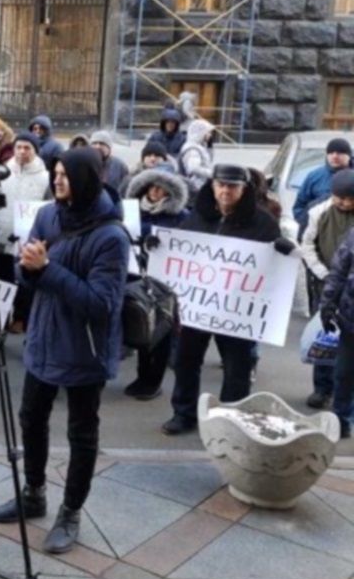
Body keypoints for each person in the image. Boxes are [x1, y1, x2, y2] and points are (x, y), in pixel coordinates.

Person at [0, 147, 129, 554]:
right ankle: (34, 493)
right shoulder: (48, 214)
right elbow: (26, 269)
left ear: (87, 179)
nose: (58, 179)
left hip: (85, 350)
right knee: (31, 417)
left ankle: (70, 512)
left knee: (81, 433)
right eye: (56, 172)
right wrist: (29, 268)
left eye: (66, 174)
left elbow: (102, 304)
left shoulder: (111, 236)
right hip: (44, 338)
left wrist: (47, 269)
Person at [161, 165, 290, 435]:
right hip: (199, 307)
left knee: (237, 366)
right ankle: (183, 413)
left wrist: (284, 250)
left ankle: (230, 419)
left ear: (244, 190)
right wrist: (158, 248)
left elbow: (274, 266)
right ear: (212, 186)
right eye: (220, 184)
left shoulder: (263, 223)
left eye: (232, 186)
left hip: (236, 310)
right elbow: (181, 253)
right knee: (186, 361)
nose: (225, 191)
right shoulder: (198, 216)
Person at [123, 167, 191, 400]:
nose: (155, 191)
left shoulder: (181, 217)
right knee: (141, 327)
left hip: (165, 284)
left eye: (161, 188)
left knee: (161, 332)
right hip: (135, 278)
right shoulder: (131, 211)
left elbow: (186, 245)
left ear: (170, 192)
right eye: (152, 186)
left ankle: (153, 382)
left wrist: (157, 237)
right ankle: (142, 377)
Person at [300, 169, 354, 410]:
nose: (343, 202)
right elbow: (307, 244)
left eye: (348, 198)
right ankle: (322, 389)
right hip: (325, 282)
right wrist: (322, 272)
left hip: (350, 287)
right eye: (339, 197)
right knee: (324, 336)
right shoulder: (318, 212)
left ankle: (342, 394)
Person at [0, 132, 50, 333]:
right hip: (1, 235)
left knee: (25, 282)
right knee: (1, 280)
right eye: (19, 147)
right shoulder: (2, 173)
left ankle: (20, 317)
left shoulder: (45, 178)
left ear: (35, 151)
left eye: (27, 148)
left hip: (29, 239)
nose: (22, 152)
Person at [318, 201, 354, 439]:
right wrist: (327, 305)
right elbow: (339, 271)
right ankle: (341, 419)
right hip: (351, 318)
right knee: (344, 373)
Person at [293, 138, 352, 236]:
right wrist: (307, 224)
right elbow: (300, 206)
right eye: (331, 152)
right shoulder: (314, 176)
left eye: (340, 153)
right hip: (321, 233)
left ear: (349, 155)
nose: (335, 156)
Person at [178, 118, 216, 194]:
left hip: (199, 185)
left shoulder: (199, 146)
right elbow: (193, 168)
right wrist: (212, 173)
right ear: (201, 132)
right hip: (196, 186)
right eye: (208, 132)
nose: (210, 135)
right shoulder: (193, 149)